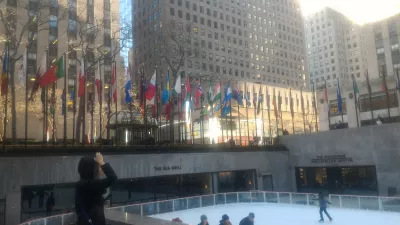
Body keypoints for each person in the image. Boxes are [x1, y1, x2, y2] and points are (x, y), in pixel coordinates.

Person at [75, 152, 117, 225]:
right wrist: (102, 162)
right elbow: (113, 178)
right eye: (98, 167)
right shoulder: (89, 184)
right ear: (91, 169)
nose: (100, 169)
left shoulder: (82, 184)